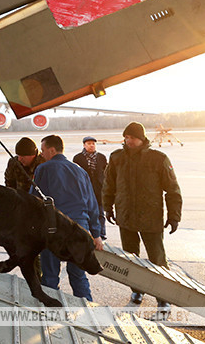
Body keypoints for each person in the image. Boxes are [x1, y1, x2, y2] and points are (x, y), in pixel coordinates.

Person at [103, 122, 182, 312]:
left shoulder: (158, 158)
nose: (128, 140)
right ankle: (136, 290)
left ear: (141, 138)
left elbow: (172, 190)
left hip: (150, 217)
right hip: (126, 216)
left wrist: (174, 216)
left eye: (132, 137)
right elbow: (109, 185)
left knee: (157, 259)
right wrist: (107, 207)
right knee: (130, 258)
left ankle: (163, 296)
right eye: (126, 137)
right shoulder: (116, 158)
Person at [34, 135, 104, 300]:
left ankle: (49, 315)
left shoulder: (43, 169)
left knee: (50, 277)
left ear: (52, 150)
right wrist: (96, 234)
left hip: (53, 230)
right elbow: (92, 205)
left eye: (43, 150)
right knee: (78, 276)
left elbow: (35, 202)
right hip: (79, 231)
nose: (41, 154)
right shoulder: (80, 170)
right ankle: (88, 312)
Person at [73, 136, 108, 239]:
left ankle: (101, 234)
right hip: (84, 190)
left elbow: (106, 173)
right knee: (86, 213)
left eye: (93, 143)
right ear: (84, 145)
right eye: (89, 143)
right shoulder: (78, 158)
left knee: (100, 213)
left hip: (98, 190)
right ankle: (87, 234)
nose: (92, 145)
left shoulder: (101, 157)